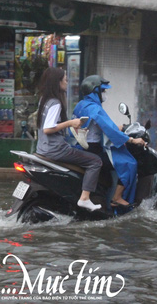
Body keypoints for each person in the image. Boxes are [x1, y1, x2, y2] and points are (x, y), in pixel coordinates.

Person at [36, 67, 103, 212]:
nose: (67, 83)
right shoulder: (55, 102)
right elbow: (48, 128)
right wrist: (71, 123)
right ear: (57, 82)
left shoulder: (44, 100)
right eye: (65, 80)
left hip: (43, 149)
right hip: (56, 150)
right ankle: (84, 198)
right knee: (95, 161)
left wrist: (74, 127)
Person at [73, 75, 145, 207]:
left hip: (81, 148)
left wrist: (122, 127)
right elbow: (109, 129)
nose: (105, 94)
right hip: (94, 150)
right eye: (103, 91)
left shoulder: (82, 105)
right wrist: (132, 140)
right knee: (129, 163)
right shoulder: (95, 109)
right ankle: (116, 198)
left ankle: (102, 197)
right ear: (95, 92)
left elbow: (103, 126)